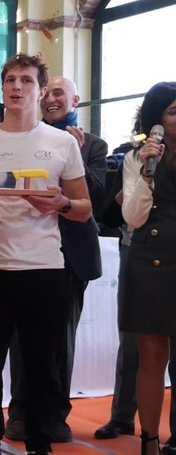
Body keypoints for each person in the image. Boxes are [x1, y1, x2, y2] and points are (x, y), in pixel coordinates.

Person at [0, 53, 91, 455]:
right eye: (10, 80)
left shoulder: (62, 142)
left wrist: (61, 203)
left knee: (42, 366)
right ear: (2, 88)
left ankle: (39, 445)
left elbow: (83, 209)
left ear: (40, 89)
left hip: (44, 270)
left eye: (26, 81)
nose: (16, 87)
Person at [5, 77, 108, 442]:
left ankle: (54, 417)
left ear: (76, 100)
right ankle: (18, 414)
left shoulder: (94, 146)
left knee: (59, 341)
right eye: (46, 93)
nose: (51, 99)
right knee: (20, 338)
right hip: (23, 250)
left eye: (58, 93)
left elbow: (93, 198)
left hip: (70, 258)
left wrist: (72, 156)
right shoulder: (20, 141)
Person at [95, 124, 176, 449]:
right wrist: (143, 174)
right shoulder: (134, 157)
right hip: (142, 253)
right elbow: (117, 214)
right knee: (137, 349)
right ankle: (128, 420)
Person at [118, 81, 176, 455]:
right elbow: (132, 216)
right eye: (173, 111)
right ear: (157, 120)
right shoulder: (138, 158)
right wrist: (146, 172)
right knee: (151, 358)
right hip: (150, 262)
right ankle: (149, 440)